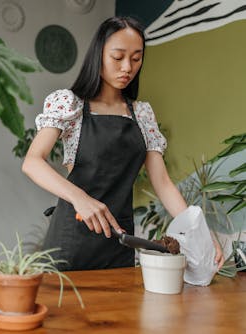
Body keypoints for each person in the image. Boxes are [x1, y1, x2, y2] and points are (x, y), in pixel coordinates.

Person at [22, 16, 224, 271]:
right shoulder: (69, 103)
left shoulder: (142, 114)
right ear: (99, 55)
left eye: (136, 58)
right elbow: (32, 162)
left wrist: (201, 235)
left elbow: (162, 184)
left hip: (120, 242)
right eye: (118, 57)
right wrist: (80, 198)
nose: (127, 67)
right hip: (71, 239)